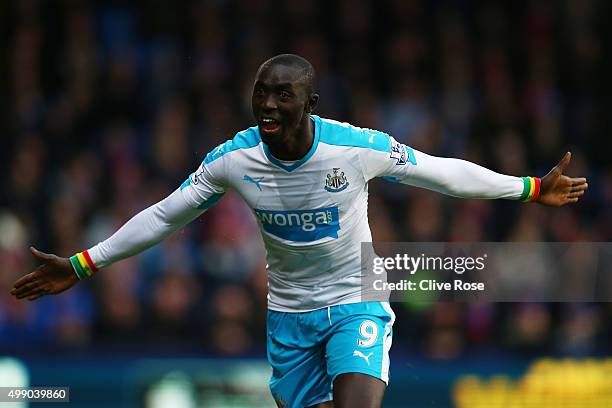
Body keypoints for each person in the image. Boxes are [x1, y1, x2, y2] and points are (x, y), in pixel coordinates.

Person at [10, 54, 588, 408]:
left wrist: (531, 189)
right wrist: (85, 263)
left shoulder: (355, 147)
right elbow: (165, 214)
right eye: (261, 92)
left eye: (281, 94)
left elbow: (441, 174)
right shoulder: (233, 159)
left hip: (355, 300)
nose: (267, 104)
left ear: (309, 102)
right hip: (288, 315)